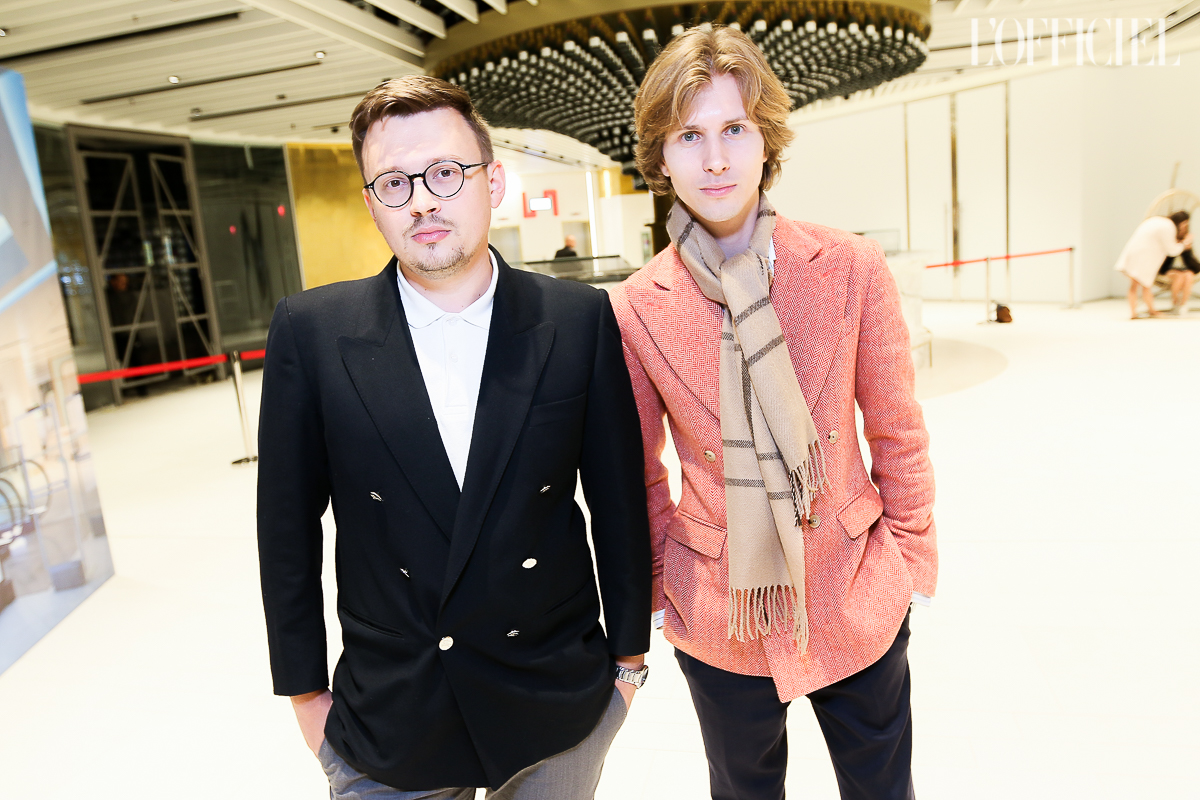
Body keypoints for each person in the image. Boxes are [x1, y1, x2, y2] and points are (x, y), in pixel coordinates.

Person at [256, 76, 651, 800]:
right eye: (394, 183)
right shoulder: (311, 332)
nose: (422, 201)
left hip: (554, 704)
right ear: (371, 202)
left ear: (491, 182)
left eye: (445, 172)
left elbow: (619, 503)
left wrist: (627, 668)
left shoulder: (577, 319)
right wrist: (306, 700)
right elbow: (286, 531)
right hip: (388, 717)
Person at [610, 26, 936, 800]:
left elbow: (896, 428)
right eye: (689, 136)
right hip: (721, 611)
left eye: (734, 129)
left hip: (855, 588)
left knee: (883, 789)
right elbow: (639, 474)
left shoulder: (849, 266)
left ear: (766, 141)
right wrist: (659, 590)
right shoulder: (636, 306)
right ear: (661, 157)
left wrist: (912, 563)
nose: (715, 160)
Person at [1115, 210, 1191, 318]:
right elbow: (1172, 250)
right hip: (1143, 258)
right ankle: (1137, 312)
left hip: (1136, 254)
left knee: (1142, 285)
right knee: (1138, 285)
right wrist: (1184, 245)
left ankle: (1147, 311)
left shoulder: (1156, 220)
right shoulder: (1168, 226)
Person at [1157, 239, 1198, 315]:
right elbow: (1163, 267)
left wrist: (1187, 251)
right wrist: (1176, 249)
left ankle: (1183, 304)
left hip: (1185, 271)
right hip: (1170, 271)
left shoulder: (1187, 253)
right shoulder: (1169, 251)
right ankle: (1175, 302)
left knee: (1188, 275)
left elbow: (1196, 267)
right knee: (1178, 276)